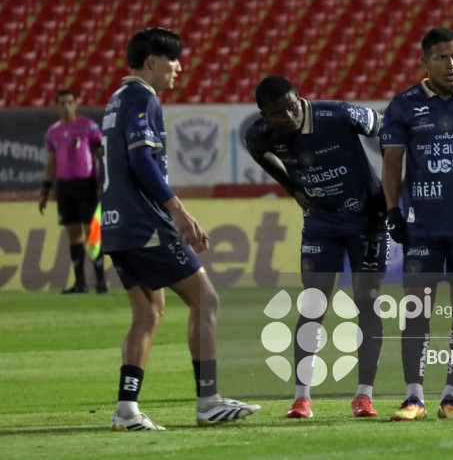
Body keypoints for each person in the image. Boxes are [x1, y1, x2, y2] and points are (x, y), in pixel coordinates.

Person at [101, 27, 260, 431]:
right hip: (145, 225)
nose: (179, 67)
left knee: (147, 314)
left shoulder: (116, 100)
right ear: (152, 62)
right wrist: (178, 211)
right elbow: (141, 163)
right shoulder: (142, 97)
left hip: (117, 227)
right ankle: (208, 401)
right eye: (173, 60)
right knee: (206, 299)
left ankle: (126, 409)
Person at [244, 75, 388, 419]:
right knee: (313, 305)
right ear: (264, 115)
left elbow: (389, 130)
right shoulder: (259, 134)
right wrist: (291, 187)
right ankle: (302, 398)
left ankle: (364, 396)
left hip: (366, 220)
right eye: (278, 113)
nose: (288, 117)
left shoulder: (339, 115)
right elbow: (257, 151)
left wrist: (391, 191)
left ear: (301, 99)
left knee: (366, 304)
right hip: (321, 224)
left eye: (292, 107)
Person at [381, 28, 453, 421]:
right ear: (424, 62)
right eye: (442, 57)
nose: (451, 64)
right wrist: (393, 210)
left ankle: (452, 396)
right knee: (417, 309)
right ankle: (414, 397)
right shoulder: (404, 106)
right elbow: (392, 164)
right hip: (423, 227)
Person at [39, 89, 107, 294]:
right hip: (65, 186)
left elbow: (100, 152)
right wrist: (45, 188)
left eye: (70, 102)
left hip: (86, 184)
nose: (66, 107)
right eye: (62, 103)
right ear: (56, 107)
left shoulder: (88, 126)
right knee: (73, 233)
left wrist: (105, 178)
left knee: (91, 232)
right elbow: (52, 162)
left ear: (76, 105)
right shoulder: (53, 132)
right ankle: (80, 283)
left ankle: (101, 281)